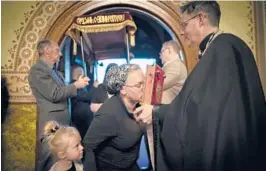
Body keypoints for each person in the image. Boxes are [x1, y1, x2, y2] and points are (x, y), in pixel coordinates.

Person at [133, 1, 266, 171]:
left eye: (184, 24)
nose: (182, 31)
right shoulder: (224, 46)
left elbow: (199, 112)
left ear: (201, 19)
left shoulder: (222, 49)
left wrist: (155, 112)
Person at [28, 39, 89, 171]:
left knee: (63, 162)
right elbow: (54, 94)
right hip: (51, 124)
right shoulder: (37, 70)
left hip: (63, 121)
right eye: (57, 50)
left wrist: (76, 85)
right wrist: (75, 85)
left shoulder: (54, 71)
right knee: (48, 161)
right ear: (46, 52)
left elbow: (63, 92)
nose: (60, 54)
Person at [83, 64, 146, 171]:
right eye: (138, 85)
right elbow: (88, 146)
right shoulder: (109, 114)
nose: (143, 88)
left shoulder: (140, 105)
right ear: (122, 89)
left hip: (131, 165)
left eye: (144, 83)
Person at [159, 40, 187, 104]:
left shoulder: (175, 65)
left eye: (161, 52)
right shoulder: (174, 65)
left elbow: (160, 85)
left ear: (170, 49)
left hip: (168, 109)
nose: (160, 56)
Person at [71, 66, 94, 139]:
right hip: (80, 116)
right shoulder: (76, 85)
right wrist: (94, 87)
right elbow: (86, 96)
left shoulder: (79, 84)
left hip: (83, 115)